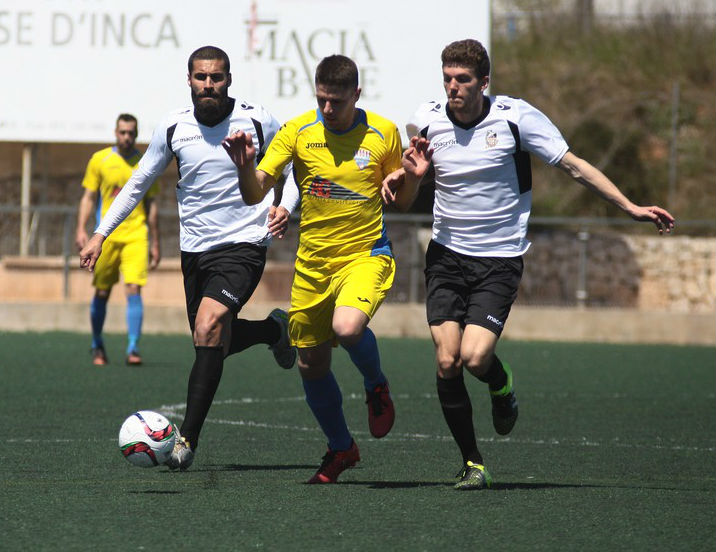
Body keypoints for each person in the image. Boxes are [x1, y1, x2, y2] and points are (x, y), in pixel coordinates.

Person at [382, 39, 675, 490]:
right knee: (447, 360)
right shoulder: (426, 120)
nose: (453, 88)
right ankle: (472, 463)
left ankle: (501, 386)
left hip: (499, 259)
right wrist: (408, 178)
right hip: (446, 255)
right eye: (447, 79)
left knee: (475, 357)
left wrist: (630, 206)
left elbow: (574, 166)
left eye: (462, 80)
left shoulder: (516, 118)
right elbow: (404, 201)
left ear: (484, 82)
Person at [80, 45, 300, 471]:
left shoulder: (258, 119)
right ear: (189, 80)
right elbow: (139, 182)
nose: (208, 85)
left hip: (244, 244)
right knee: (211, 341)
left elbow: (293, 171)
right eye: (201, 77)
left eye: (216, 77)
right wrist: (100, 233)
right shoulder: (174, 126)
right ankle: (275, 332)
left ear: (229, 79)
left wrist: (284, 206)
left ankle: (187, 441)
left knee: (209, 325)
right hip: (195, 251)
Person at [223, 54, 414, 483]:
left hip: (366, 255)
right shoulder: (297, 131)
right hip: (312, 266)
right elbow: (257, 193)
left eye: (336, 101)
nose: (328, 109)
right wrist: (243, 168)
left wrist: (404, 179)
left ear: (356, 95)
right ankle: (342, 448)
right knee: (311, 364)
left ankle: (375, 384)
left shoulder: (383, 132)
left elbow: (403, 198)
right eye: (322, 100)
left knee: (348, 329)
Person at [75, 113, 161, 366]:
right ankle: (97, 344)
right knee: (102, 291)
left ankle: (133, 347)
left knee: (134, 288)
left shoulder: (145, 162)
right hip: (106, 236)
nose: (126, 137)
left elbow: (152, 203)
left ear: (136, 134)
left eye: (131, 133)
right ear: (115, 132)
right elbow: (89, 197)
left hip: (136, 233)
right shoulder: (100, 160)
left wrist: (156, 241)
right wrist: (81, 229)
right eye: (122, 132)